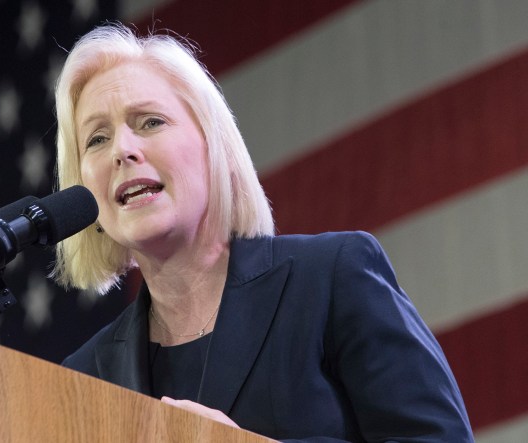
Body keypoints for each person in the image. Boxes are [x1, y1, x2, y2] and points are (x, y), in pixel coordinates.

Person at [50, 21, 474, 442]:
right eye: (97, 139)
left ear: (214, 149)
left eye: (149, 122)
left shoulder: (330, 280)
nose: (123, 149)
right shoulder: (84, 378)